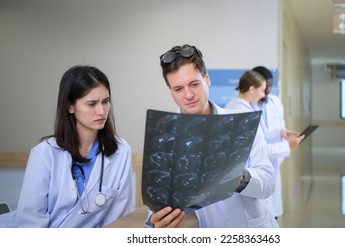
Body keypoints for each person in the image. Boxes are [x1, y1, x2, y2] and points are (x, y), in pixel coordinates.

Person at [146, 44, 278, 228]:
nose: (188, 95)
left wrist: (239, 178)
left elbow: (268, 183)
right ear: (170, 91)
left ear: (207, 79)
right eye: (178, 89)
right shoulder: (164, 140)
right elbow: (156, 207)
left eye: (194, 84)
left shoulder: (241, 123)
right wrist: (156, 223)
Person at [0, 65, 134, 228]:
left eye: (105, 101)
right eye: (91, 104)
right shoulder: (44, 154)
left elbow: (117, 222)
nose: (102, 111)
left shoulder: (120, 151)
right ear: (70, 106)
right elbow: (31, 225)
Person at [251, 66, 304, 219]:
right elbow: (258, 147)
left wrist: (283, 132)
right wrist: (287, 145)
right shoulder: (245, 107)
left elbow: (275, 127)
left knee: (272, 215)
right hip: (255, 170)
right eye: (264, 86)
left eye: (270, 85)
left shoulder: (274, 101)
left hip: (273, 166)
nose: (267, 90)